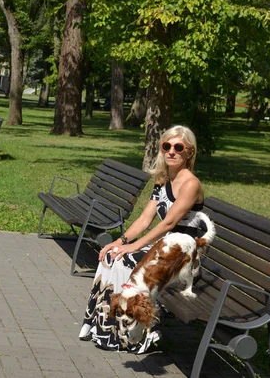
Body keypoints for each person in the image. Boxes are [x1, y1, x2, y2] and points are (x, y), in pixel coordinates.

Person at [78, 125, 205, 353]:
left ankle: (135, 335)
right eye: (167, 146)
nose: (171, 152)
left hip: (180, 257)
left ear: (190, 152)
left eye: (178, 147)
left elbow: (168, 223)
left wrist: (134, 248)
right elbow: (146, 218)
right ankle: (102, 326)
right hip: (163, 247)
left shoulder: (190, 184)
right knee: (111, 256)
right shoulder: (162, 179)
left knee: (126, 261)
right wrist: (122, 242)